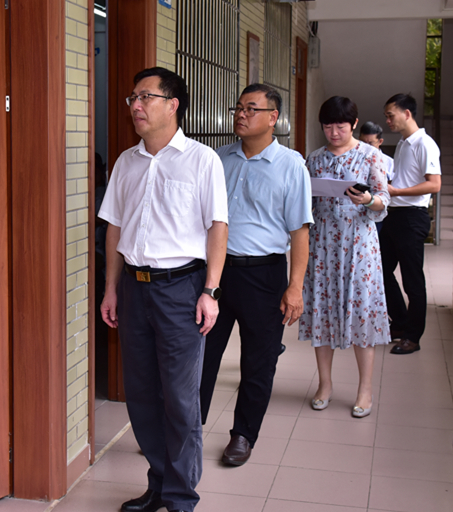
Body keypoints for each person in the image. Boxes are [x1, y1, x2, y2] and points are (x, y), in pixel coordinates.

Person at [99, 67, 228, 512]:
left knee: (179, 397)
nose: (136, 105)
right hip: (133, 289)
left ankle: (180, 497)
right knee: (141, 394)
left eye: (146, 97)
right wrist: (111, 289)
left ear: (173, 105)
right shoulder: (126, 161)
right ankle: (158, 483)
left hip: (181, 289)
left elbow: (217, 228)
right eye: (133, 98)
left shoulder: (202, 160)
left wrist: (210, 290)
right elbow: (115, 228)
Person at [199, 84, 312, 466]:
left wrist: (294, 287)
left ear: (273, 117)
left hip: (263, 276)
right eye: (238, 108)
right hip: (216, 273)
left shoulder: (291, 165)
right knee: (201, 355)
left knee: (258, 361)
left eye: (251, 108)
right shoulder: (218, 159)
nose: (241, 115)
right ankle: (187, 428)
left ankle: (243, 435)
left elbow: (299, 231)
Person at [299, 96, 390, 418]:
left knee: (361, 312)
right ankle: (325, 384)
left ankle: (365, 389)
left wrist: (368, 200)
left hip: (359, 245)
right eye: (328, 126)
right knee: (322, 311)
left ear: (353, 124)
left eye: (340, 126)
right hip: (322, 245)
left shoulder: (371, 155)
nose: (334, 133)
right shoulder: (314, 158)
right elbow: (304, 202)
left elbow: (384, 199)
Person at [381, 93, 442, 354]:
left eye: (390, 115)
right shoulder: (403, 143)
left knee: (412, 280)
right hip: (394, 215)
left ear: (407, 114)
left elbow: (434, 184)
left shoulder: (424, 143)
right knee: (380, 270)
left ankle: (413, 337)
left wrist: (397, 191)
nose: (387, 121)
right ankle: (400, 323)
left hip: (412, 217)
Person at [359, 122, 394, 232]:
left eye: (370, 143)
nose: (366, 147)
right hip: (357, 210)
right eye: (363, 142)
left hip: (378, 210)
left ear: (380, 142)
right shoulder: (354, 160)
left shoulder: (388, 162)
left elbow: (392, 185)